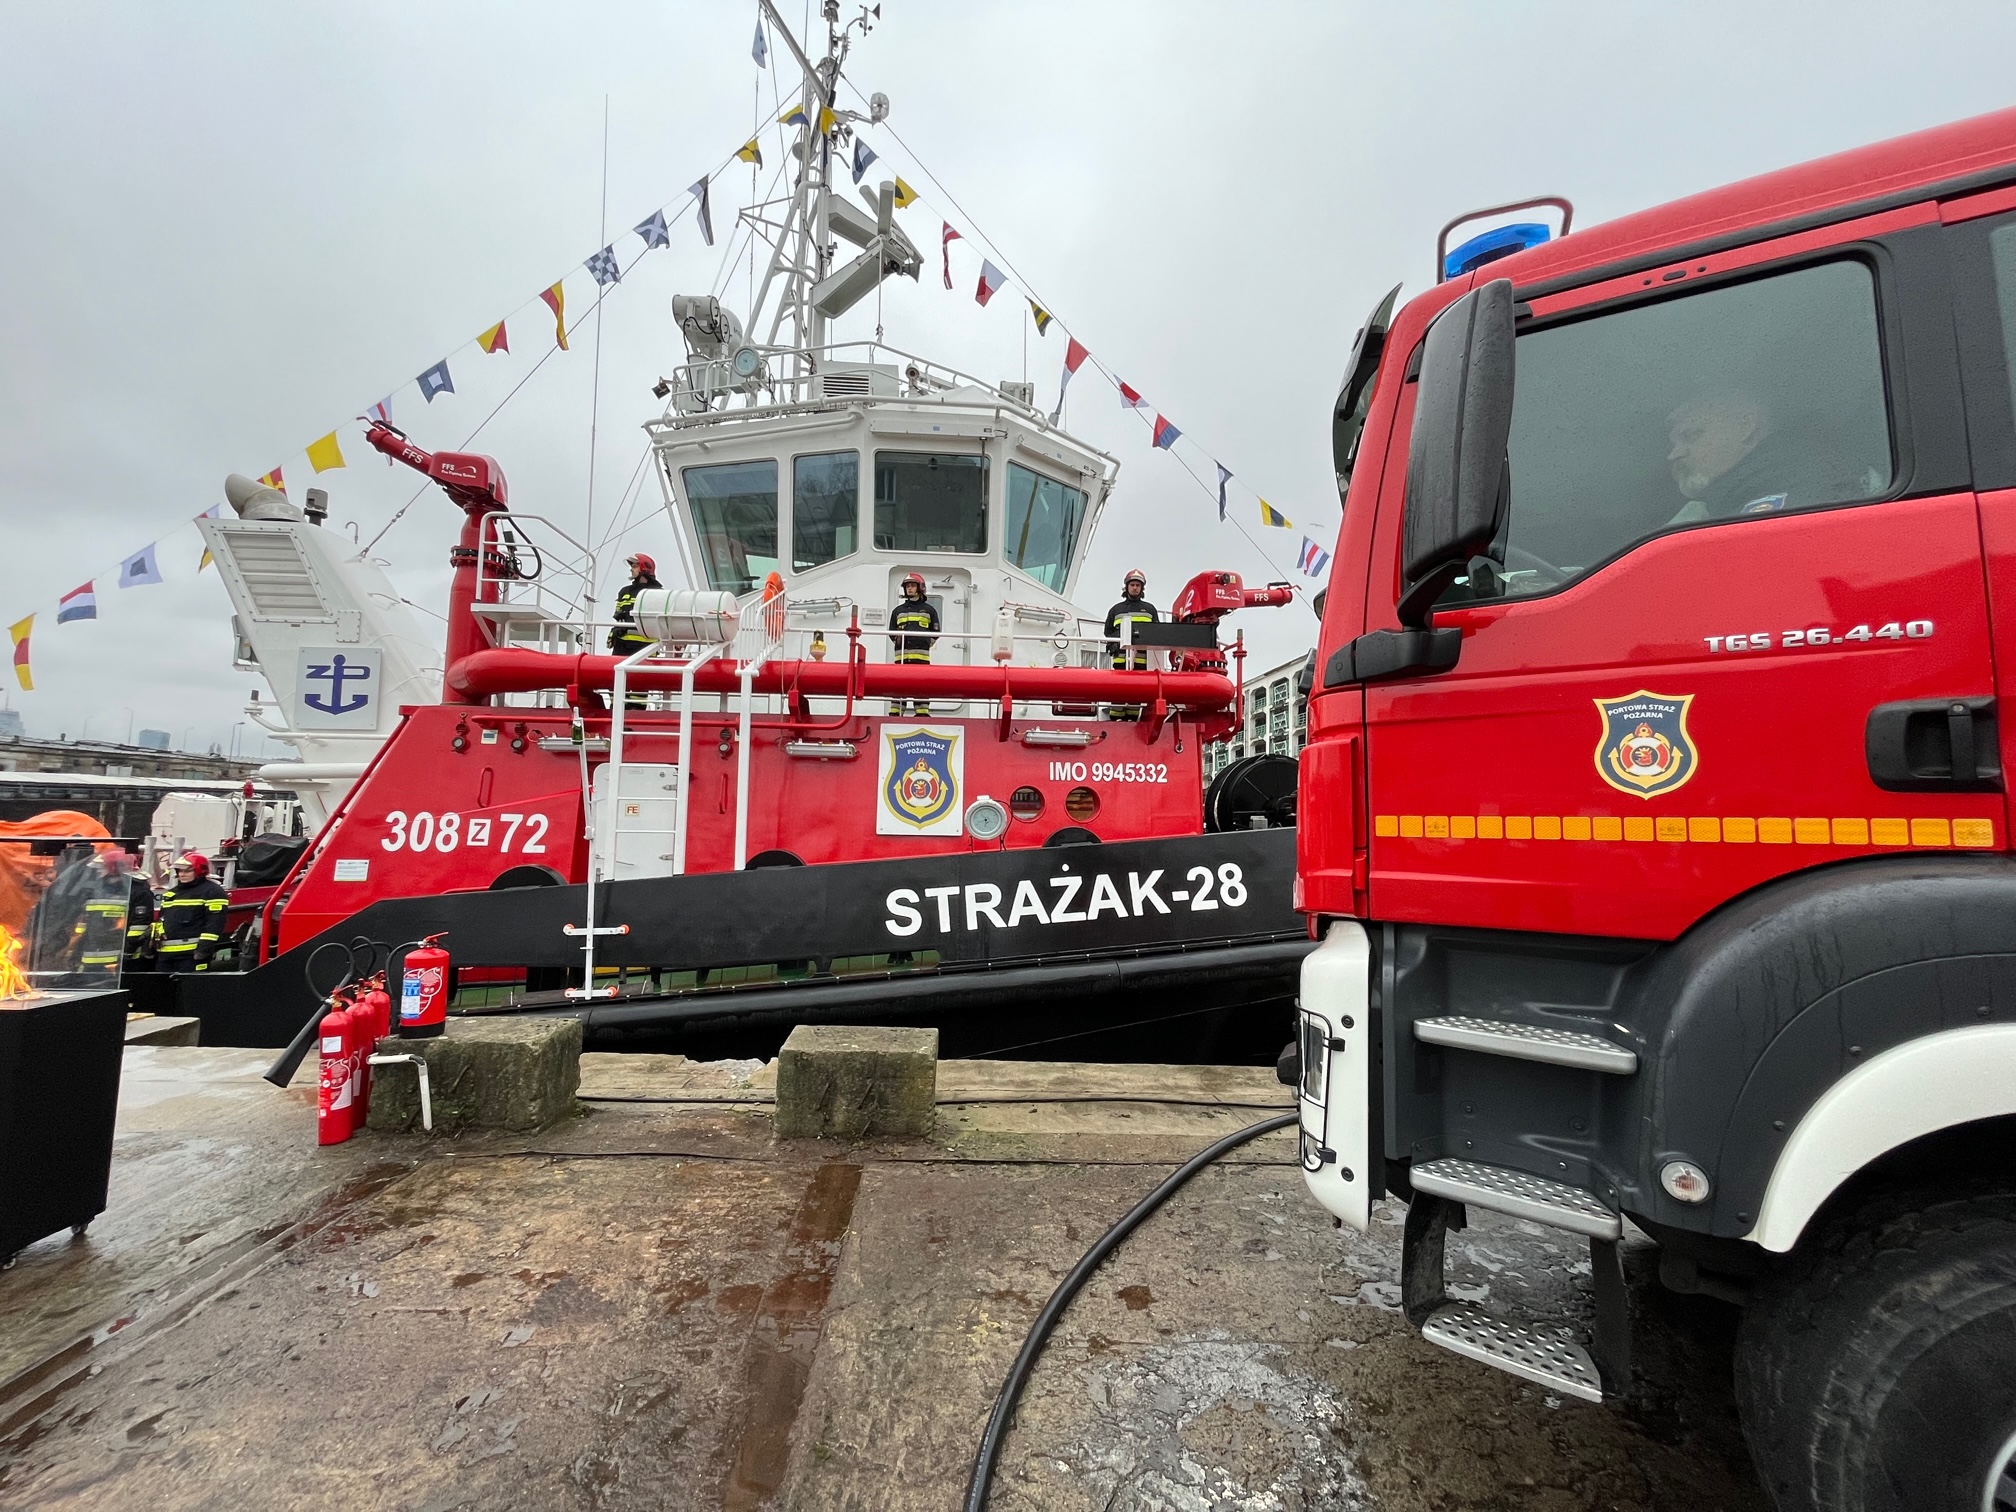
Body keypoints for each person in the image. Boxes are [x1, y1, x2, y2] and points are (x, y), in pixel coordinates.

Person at [1664, 394, 1792, 524]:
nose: (1674, 454)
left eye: (1691, 435)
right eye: (1674, 445)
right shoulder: (1730, 501)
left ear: (1744, 426)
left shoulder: (1785, 499)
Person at [153, 852, 227, 974]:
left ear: (200, 871)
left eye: (187, 871)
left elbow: (215, 923)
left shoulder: (212, 892)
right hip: (165, 955)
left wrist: (203, 949)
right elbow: (162, 920)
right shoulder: (172, 893)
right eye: (180, 871)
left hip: (191, 955)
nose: (182, 874)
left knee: (190, 986)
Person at [608, 553, 662, 710]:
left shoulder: (658, 593)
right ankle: (616, 710)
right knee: (614, 679)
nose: (631, 569)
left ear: (645, 568)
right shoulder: (624, 591)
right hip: (622, 644)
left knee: (640, 683)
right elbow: (618, 615)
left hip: (645, 647)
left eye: (635, 566)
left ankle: (636, 713)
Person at [1104, 569, 1160, 720]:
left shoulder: (1150, 610)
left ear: (1142, 588)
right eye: (1132, 585)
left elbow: (1157, 632)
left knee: (1137, 691)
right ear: (1126, 587)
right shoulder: (1116, 610)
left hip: (1142, 660)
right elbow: (1108, 632)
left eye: (1137, 585)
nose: (1135, 588)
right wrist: (1114, 641)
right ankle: (1116, 720)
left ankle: (1132, 720)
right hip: (1120, 660)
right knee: (1119, 690)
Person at [890, 571, 938, 718]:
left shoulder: (929, 610)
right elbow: (892, 633)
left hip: (921, 658)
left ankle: (922, 713)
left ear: (920, 588)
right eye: (907, 586)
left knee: (921, 684)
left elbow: (935, 632)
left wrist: (923, 644)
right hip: (901, 657)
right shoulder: (897, 611)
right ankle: (896, 712)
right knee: (899, 684)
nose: (909, 588)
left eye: (912, 585)